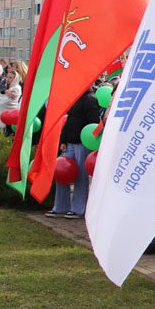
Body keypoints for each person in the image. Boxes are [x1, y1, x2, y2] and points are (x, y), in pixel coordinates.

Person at [44, 86, 100, 219]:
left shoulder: (89, 99)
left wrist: (91, 142)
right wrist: (63, 140)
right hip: (70, 143)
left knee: (81, 175)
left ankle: (78, 208)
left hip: (82, 143)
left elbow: (94, 122)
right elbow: (69, 121)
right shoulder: (77, 98)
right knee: (61, 173)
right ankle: (61, 206)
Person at [0, 65, 21, 130]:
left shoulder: (16, 88)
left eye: (10, 78)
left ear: (15, 78)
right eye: (7, 77)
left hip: (9, 114)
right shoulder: (6, 87)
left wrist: (0, 96)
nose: (8, 79)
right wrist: (3, 93)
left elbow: (5, 101)